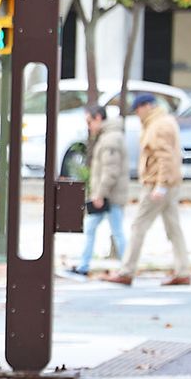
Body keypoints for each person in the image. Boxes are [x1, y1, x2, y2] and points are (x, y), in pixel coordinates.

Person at [102, 93, 190, 286]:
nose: (137, 114)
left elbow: (165, 158)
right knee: (173, 228)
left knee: (138, 226)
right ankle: (183, 270)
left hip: (156, 184)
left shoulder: (158, 125)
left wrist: (161, 186)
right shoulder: (163, 122)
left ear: (146, 106)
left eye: (138, 109)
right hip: (167, 183)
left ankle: (126, 270)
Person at [66, 104, 128, 276]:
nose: (88, 126)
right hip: (107, 195)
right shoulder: (109, 137)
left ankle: (128, 267)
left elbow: (110, 171)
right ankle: (84, 265)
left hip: (109, 196)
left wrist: (100, 194)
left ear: (98, 118)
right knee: (96, 228)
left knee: (116, 231)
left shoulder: (110, 140)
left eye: (89, 121)